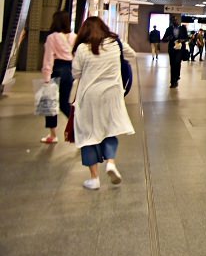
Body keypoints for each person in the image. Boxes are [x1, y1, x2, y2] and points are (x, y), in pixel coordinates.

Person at [71, 17, 136, 190]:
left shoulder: (83, 49)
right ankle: (111, 163)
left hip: (90, 96)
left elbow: (76, 73)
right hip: (113, 94)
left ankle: (94, 178)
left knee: (88, 135)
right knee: (110, 129)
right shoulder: (115, 43)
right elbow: (132, 54)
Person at [40, 11, 76, 144]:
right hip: (70, 70)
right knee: (64, 102)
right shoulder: (74, 36)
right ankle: (78, 128)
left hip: (57, 69)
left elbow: (48, 59)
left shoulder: (52, 37)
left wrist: (46, 77)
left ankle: (53, 135)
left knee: (49, 103)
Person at [163, 16, 188, 88]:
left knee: (177, 62)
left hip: (180, 49)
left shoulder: (183, 28)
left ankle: (177, 76)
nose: (175, 21)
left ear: (178, 21)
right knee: (172, 65)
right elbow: (164, 39)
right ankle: (173, 82)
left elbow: (186, 38)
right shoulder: (169, 29)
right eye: (173, 20)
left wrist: (181, 40)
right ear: (171, 21)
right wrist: (168, 38)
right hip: (172, 49)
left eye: (176, 20)